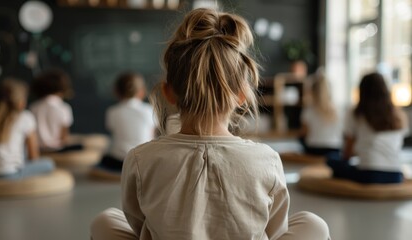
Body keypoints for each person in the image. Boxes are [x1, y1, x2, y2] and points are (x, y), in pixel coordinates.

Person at [91, 8, 330, 240]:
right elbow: (276, 230)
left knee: (105, 221)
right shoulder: (267, 159)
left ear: (168, 93)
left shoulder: (140, 158)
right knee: (313, 224)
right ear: (242, 95)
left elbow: (138, 223)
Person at [327, 72, 409, 184]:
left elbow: (348, 153)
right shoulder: (397, 115)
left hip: (369, 175)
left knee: (331, 159)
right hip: (396, 175)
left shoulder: (355, 113)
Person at [0, 79, 54, 179]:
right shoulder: (25, 117)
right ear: (21, 101)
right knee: (48, 163)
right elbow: (33, 157)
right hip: (8, 173)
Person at [96, 72, 156, 172]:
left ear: (116, 92)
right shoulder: (150, 110)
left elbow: (113, 131)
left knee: (104, 158)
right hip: (144, 161)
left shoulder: (112, 111)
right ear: (142, 92)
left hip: (119, 162)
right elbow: (152, 136)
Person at [30, 69, 83, 152]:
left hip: (39, 149)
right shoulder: (63, 107)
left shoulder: (33, 107)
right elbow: (64, 136)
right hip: (57, 150)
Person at [300, 69, 342, 156]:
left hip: (314, 150)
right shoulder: (338, 110)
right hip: (335, 150)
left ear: (312, 92)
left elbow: (304, 133)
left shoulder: (308, 111)